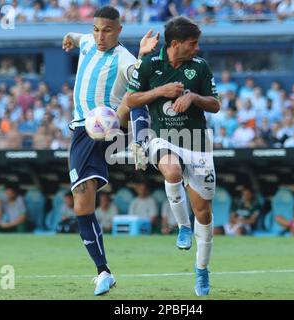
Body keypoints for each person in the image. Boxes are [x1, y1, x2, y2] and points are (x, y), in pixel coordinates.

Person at [61, 5, 158, 296]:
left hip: (106, 125)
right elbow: (77, 38)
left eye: (107, 30)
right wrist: (68, 36)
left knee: (132, 94)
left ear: (119, 31)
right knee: (82, 205)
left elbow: (139, 93)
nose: (100, 36)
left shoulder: (124, 59)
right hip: (82, 130)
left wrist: (142, 58)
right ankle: (103, 271)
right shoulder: (89, 41)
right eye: (96, 29)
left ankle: (141, 140)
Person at [126, 16, 220, 296]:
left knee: (204, 213)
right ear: (175, 44)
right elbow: (130, 100)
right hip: (163, 138)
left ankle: (201, 270)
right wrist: (159, 91)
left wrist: (193, 97)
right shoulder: (150, 65)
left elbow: (215, 104)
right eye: (193, 43)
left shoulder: (200, 67)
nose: (197, 48)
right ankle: (182, 226)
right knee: (172, 171)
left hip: (198, 144)